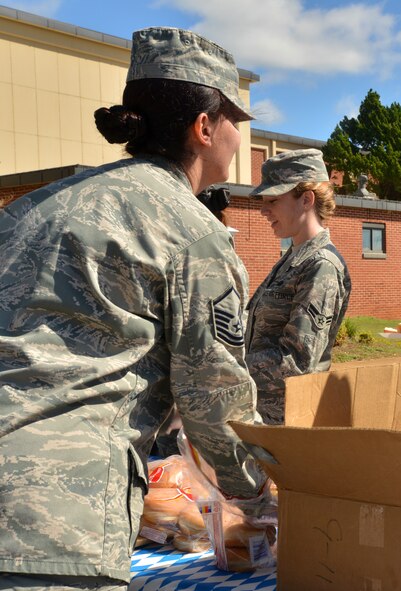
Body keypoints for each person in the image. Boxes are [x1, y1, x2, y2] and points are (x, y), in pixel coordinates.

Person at [0, 28, 270, 589]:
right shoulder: (193, 233)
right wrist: (260, 494)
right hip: (53, 523)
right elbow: (214, 400)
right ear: (204, 128)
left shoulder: (31, 208)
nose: (238, 140)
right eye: (235, 124)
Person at [245, 149, 351, 424]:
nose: (263, 210)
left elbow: (296, 363)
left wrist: (227, 370)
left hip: (290, 424)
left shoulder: (320, 266)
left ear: (306, 199)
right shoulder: (293, 258)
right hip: (267, 417)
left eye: (273, 200)